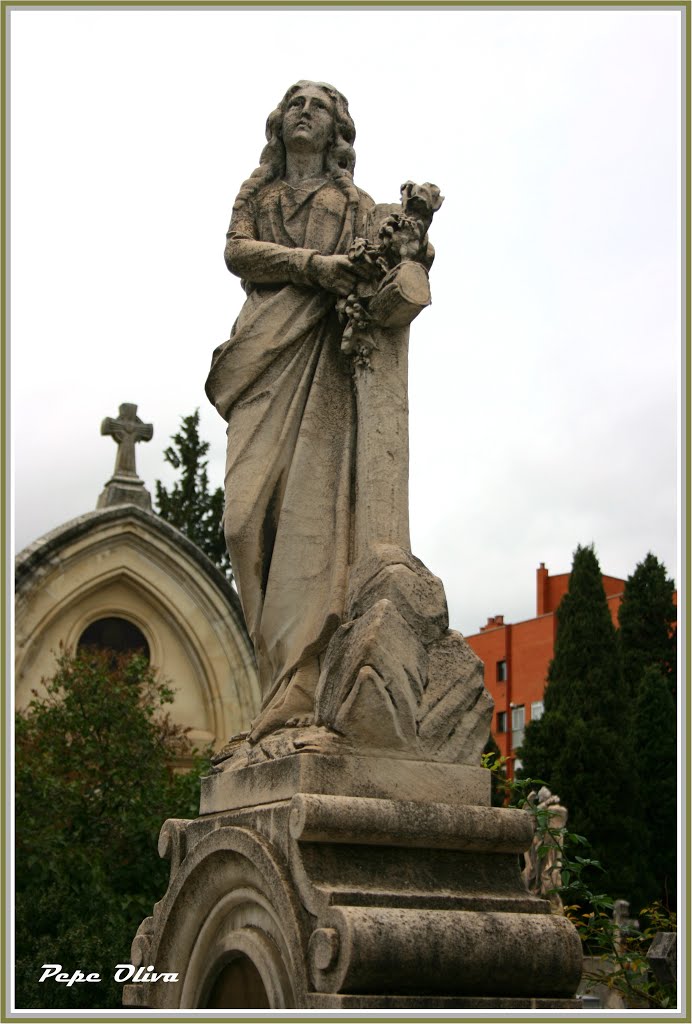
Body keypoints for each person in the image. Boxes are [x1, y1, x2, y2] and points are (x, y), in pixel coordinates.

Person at [206, 81, 377, 740]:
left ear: (336, 130)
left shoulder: (353, 203)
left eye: (320, 106)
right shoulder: (261, 195)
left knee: (309, 511)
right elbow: (236, 252)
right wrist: (313, 265)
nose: (306, 111)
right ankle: (275, 666)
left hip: (323, 360)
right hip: (263, 351)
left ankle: (302, 679)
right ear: (280, 124)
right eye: (296, 103)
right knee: (244, 521)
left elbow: (378, 266)